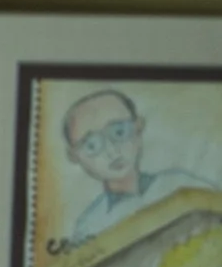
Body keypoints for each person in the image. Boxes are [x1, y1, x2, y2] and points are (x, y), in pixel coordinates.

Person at [62, 89, 218, 247]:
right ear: (74, 156)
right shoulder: (89, 225)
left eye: (119, 132)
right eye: (92, 145)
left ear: (138, 127)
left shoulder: (182, 185)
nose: (111, 151)